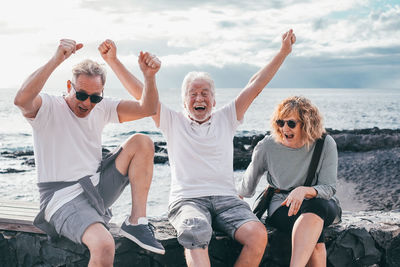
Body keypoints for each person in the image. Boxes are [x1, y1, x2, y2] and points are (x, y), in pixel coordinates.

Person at [112, 29, 296, 266]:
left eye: (205, 93)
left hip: (228, 200)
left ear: (214, 100)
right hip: (188, 201)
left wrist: (283, 52)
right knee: (196, 230)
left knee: (257, 234)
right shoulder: (172, 121)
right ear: (184, 102)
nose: (199, 98)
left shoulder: (227, 117)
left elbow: (256, 84)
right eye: (193, 94)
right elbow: (140, 92)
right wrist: (113, 60)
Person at [14, 39, 165, 266]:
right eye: (82, 95)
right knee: (104, 245)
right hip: (61, 197)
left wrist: (148, 76)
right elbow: (21, 99)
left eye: (95, 97)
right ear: (69, 87)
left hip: (97, 187)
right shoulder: (48, 108)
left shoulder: (101, 106)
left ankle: (137, 222)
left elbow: (148, 108)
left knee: (142, 142)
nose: (87, 103)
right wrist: (57, 59)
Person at [238, 96, 341, 267]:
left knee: (317, 206)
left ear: (307, 123)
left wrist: (303, 191)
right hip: (282, 205)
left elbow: (329, 187)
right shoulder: (268, 145)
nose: (284, 128)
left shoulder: (325, 144)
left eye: (291, 123)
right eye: (280, 122)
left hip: (320, 204)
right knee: (315, 243)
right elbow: (246, 187)